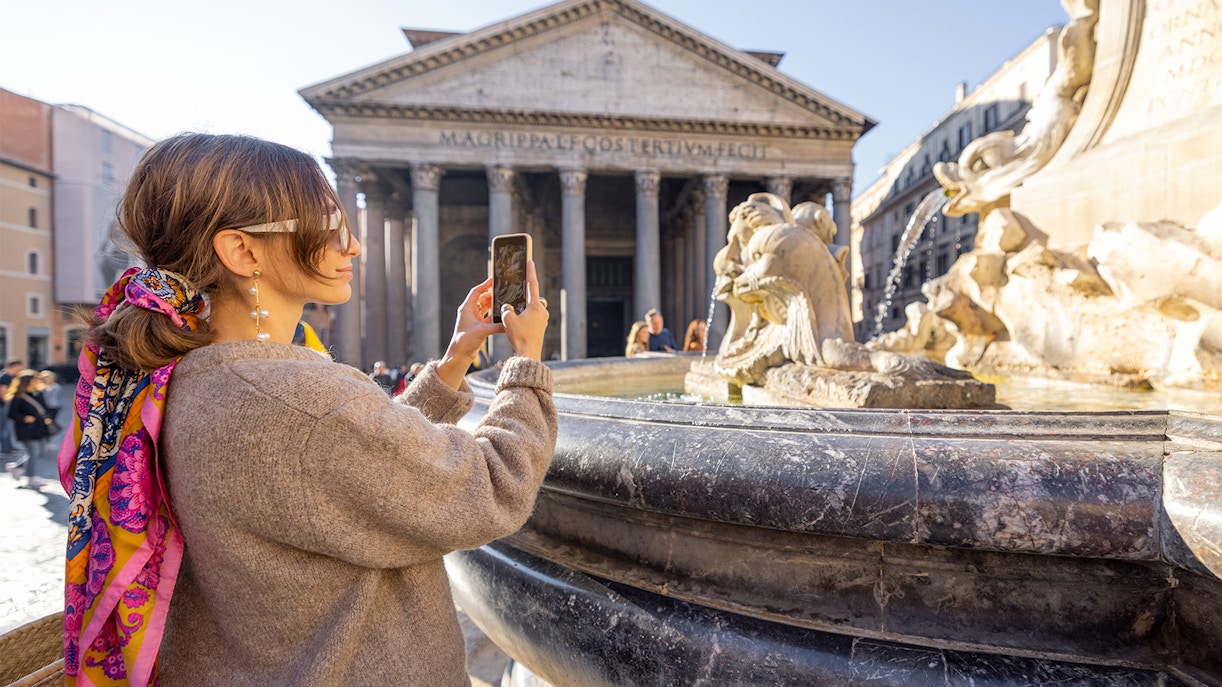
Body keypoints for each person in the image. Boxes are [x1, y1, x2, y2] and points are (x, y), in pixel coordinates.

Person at [58, 133, 557, 687]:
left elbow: (354, 461)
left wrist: (454, 359)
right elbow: (492, 487)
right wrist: (526, 362)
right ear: (243, 252)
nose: (354, 246)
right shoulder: (298, 402)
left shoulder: (178, 381)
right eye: (331, 227)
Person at [5, 369, 53, 489]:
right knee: (33, 452)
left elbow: (45, 408)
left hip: (39, 428)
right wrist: (24, 418)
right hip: (25, 429)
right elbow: (12, 414)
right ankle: (32, 478)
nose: (36, 381)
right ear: (26, 382)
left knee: (40, 452)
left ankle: (17, 467)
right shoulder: (18, 397)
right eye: (34, 380)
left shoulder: (38, 393)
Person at [0, 359, 21, 455]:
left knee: (7, 426)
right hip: (3, 405)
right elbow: (3, 391)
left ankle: (9, 446)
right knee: (4, 427)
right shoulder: (5, 376)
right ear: (14, 366)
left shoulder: (11, 376)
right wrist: (8, 403)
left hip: (7, 405)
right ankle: (6, 448)